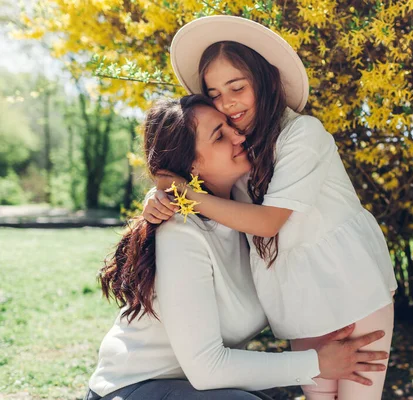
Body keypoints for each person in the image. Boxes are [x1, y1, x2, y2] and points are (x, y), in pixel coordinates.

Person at [145, 16, 399, 400]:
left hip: (351, 283)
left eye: (237, 87)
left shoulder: (302, 135)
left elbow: (267, 222)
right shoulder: (241, 151)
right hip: (295, 293)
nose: (227, 102)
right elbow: (203, 181)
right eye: (213, 93)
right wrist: (161, 193)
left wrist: (181, 191)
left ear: (264, 82)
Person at [86, 95, 389, 400]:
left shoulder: (249, 209)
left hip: (203, 390)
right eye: (220, 135)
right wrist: (317, 364)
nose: (239, 135)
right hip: (134, 388)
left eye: (231, 125)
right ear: (191, 164)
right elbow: (207, 368)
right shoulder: (180, 233)